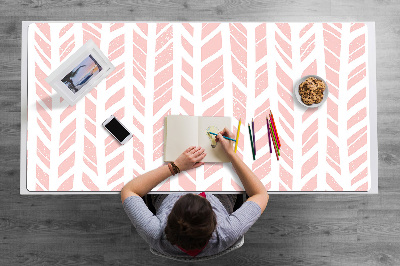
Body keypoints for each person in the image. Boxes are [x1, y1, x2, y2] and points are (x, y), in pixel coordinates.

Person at [121, 128, 269, 258]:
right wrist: (231, 153)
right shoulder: (227, 232)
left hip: (165, 195)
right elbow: (261, 194)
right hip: (221, 198)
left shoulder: (155, 233)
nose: (196, 192)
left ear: (169, 219)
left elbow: (128, 190)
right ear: (215, 222)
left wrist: (175, 166)